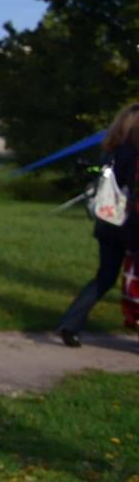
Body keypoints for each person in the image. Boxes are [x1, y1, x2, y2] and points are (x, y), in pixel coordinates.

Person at [55, 103, 139, 347]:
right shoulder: (133, 154)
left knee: (105, 276)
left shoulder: (110, 150)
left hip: (107, 220)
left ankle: (71, 323)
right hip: (131, 224)